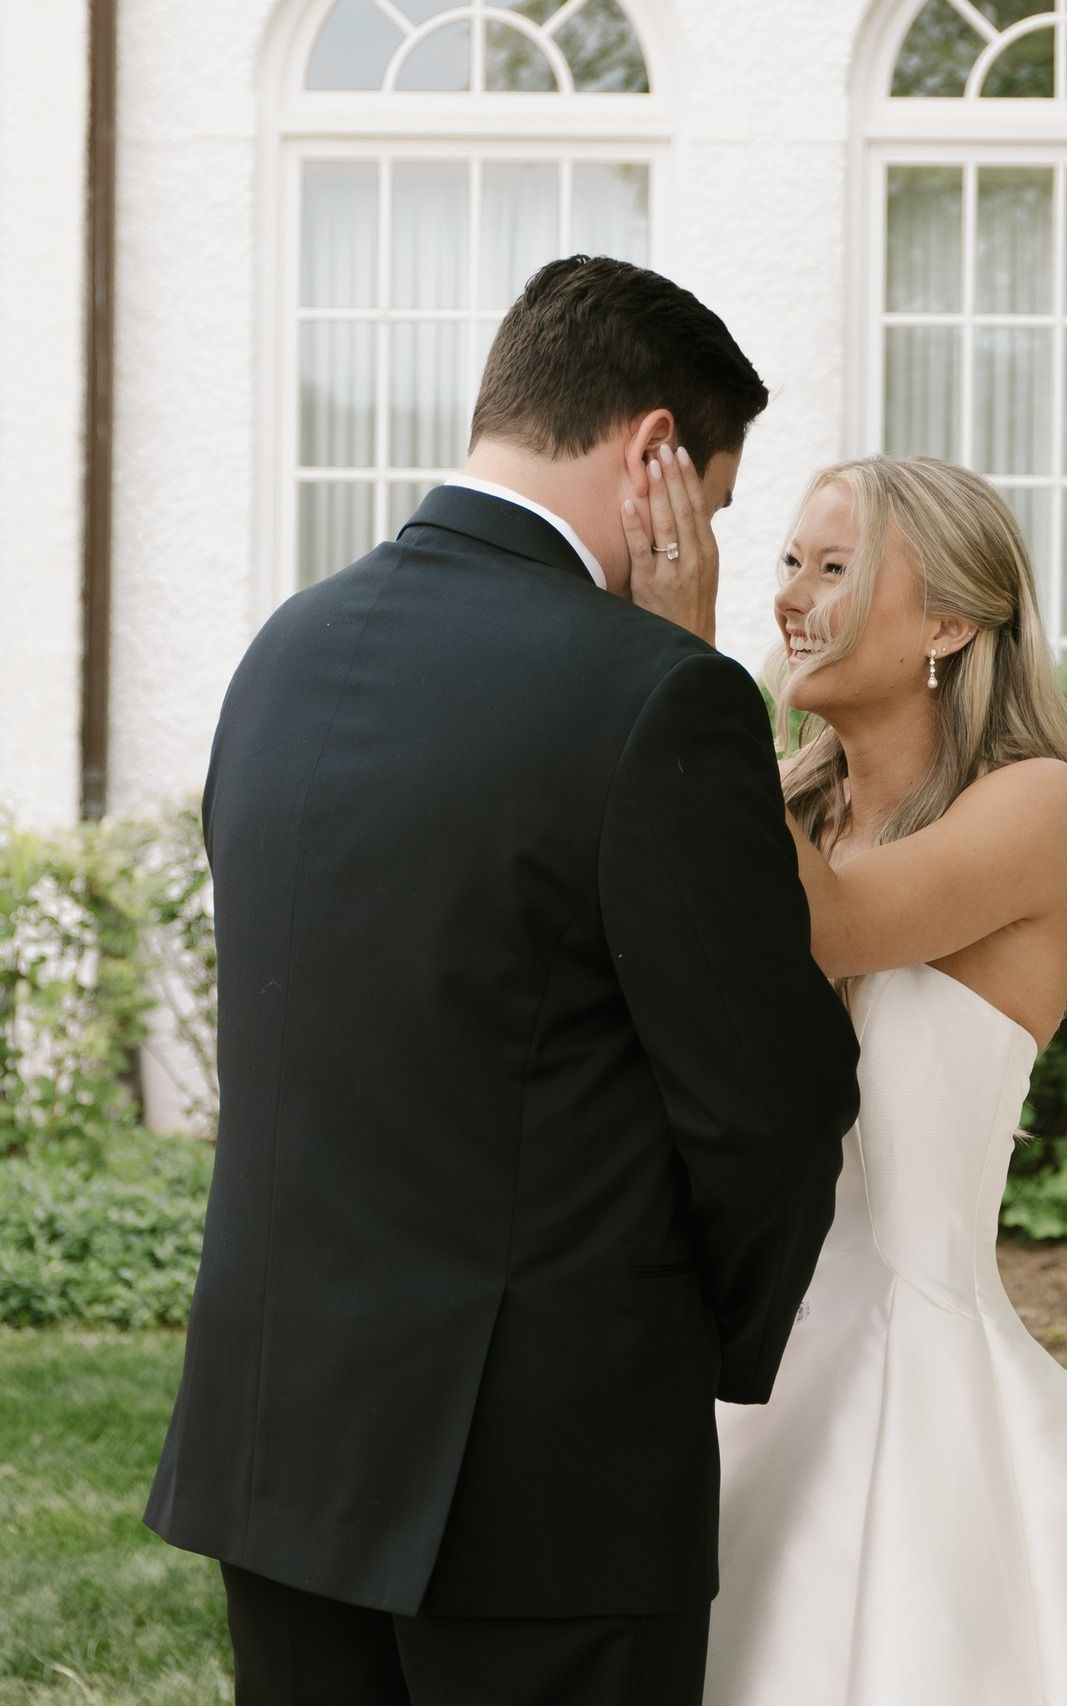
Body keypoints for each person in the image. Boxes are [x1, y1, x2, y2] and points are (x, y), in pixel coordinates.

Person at [144, 256, 860, 1706]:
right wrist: (692, 1340)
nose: (704, 542)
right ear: (654, 453)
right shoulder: (656, 691)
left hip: (279, 1444)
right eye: (714, 505)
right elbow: (771, 1099)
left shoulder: (281, 651)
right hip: (548, 1484)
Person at [636, 453, 1067, 1705]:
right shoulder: (785, 804)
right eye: (787, 559)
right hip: (739, 1370)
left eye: (837, 567)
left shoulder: (1039, 804)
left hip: (910, 1371)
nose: (791, 595)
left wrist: (683, 669)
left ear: (948, 621)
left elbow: (824, 927)